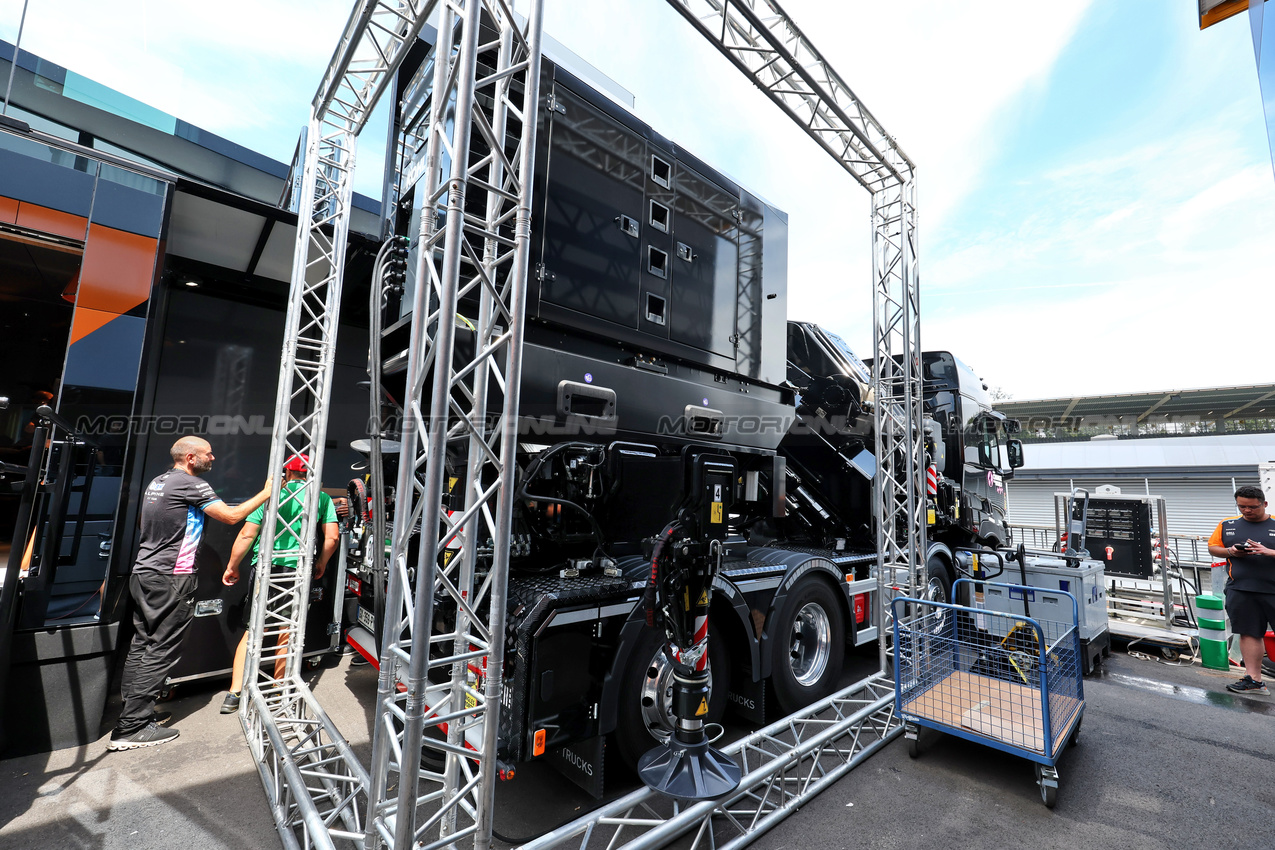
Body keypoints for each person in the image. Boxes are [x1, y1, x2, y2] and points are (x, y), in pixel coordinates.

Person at [108, 436, 272, 751]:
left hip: (145, 573)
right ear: (192, 458)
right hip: (172, 577)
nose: (214, 457)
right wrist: (265, 493)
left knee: (143, 644)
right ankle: (132, 728)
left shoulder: (159, 481)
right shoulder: (191, 484)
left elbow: (144, 525)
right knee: (162, 649)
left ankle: (131, 714)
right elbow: (231, 516)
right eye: (209, 453)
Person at [220, 453, 338, 713]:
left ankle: (234, 693)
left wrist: (232, 566)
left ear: (285, 472)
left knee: (253, 629)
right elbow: (332, 539)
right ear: (310, 472)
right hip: (296, 569)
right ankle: (278, 690)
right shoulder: (321, 498)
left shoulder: (269, 495)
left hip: (264, 568)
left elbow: (246, 533)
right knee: (287, 629)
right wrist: (321, 563)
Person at [1207, 485, 1275, 695]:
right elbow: (1213, 547)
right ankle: (1254, 680)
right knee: (1249, 633)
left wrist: (1269, 552)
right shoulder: (1227, 525)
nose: (1247, 511)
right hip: (1242, 589)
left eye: (1252, 507)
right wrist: (1231, 551)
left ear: (1264, 504)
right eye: (1242, 507)